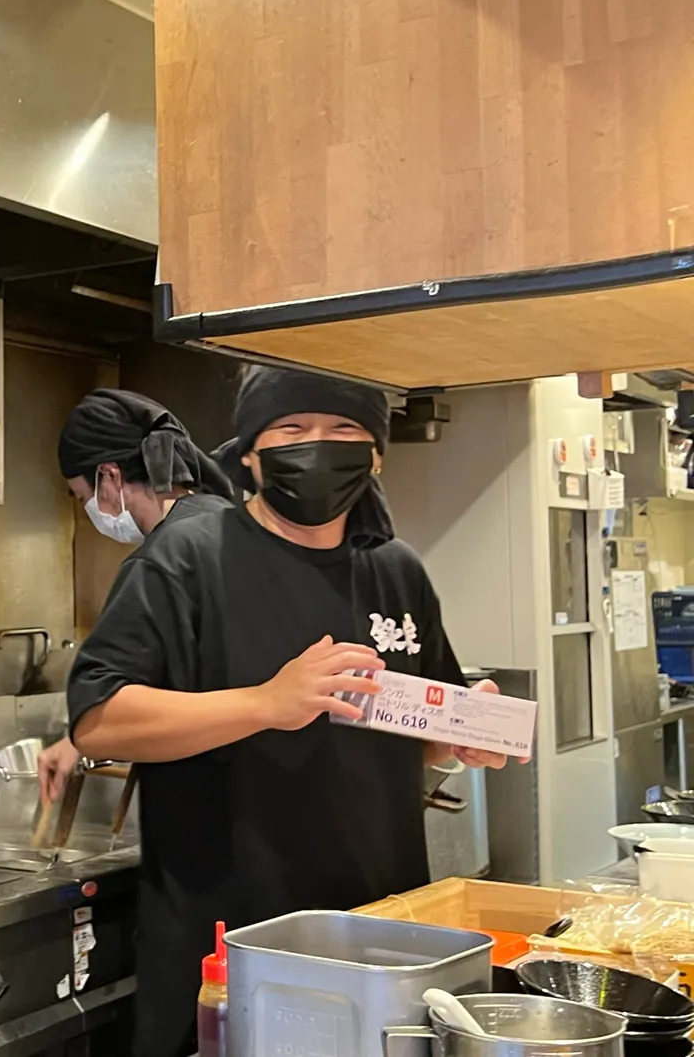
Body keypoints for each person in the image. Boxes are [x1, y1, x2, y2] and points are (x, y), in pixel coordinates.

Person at [64, 366, 512, 1057]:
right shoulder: (189, 558)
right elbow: (99, 717)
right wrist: (266, 702)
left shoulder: (395, 568)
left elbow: (415, 740)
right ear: (250, 451)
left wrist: (460, 734)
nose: (317, 446)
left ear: (375, 454)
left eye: (343, 431)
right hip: (227, 956)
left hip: (380, 941)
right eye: (292, 429)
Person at [37, 389, 236, 800]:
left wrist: (90, 734)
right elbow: (197, 675)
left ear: (109, 477)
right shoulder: (236, 527)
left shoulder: (162, 559)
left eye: (82, 497)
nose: (87, 509)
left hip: (211, 809)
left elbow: (100, 714)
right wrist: (77, 744)